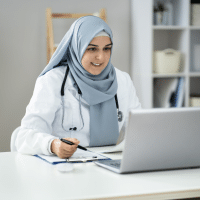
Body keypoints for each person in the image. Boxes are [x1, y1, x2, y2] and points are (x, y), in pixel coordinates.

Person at [14, 16, 141, 159]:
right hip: (67, 166)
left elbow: (140, 128)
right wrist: (53, 145)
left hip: (111, 164)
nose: (101, 57)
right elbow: (24, 137)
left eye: (107, 49)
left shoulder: (122, 80)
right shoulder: (53, 80)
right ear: (77, 47)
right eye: (92, 49)